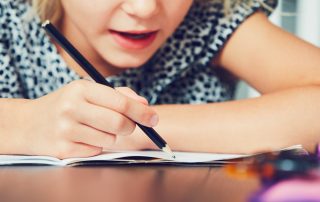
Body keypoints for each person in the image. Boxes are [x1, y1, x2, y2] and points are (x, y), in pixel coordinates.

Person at [0, 0, 319, 159]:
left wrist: (132, 131)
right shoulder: (8, 18)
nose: (144, 9)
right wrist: (25, 122)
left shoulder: (207, 17)